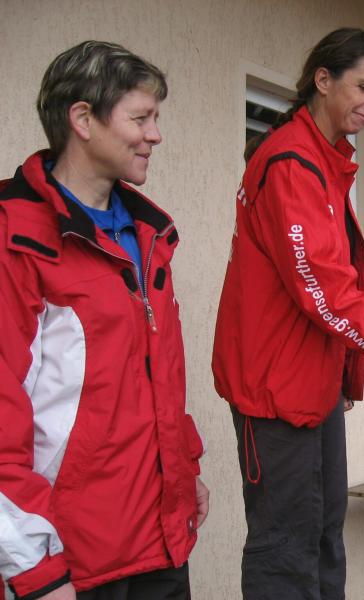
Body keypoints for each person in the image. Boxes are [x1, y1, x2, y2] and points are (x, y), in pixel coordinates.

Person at [212, 28, 364, 600]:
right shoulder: (292, 162)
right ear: (324, 80)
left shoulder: (322, 159)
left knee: (323, 537)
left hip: (312, 387)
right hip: (275, 394)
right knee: (286, 549)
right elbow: (326, 291)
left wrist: (343, 375)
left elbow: (329, 285)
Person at [0, 41, 208, 600]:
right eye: (141, 118)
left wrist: (183, 471)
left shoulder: (149, 235)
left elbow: (153, 378)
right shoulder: (15, 237)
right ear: (83, 119)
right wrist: (34, 569)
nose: (155, 135)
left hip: (159, 543)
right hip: (70, 560)